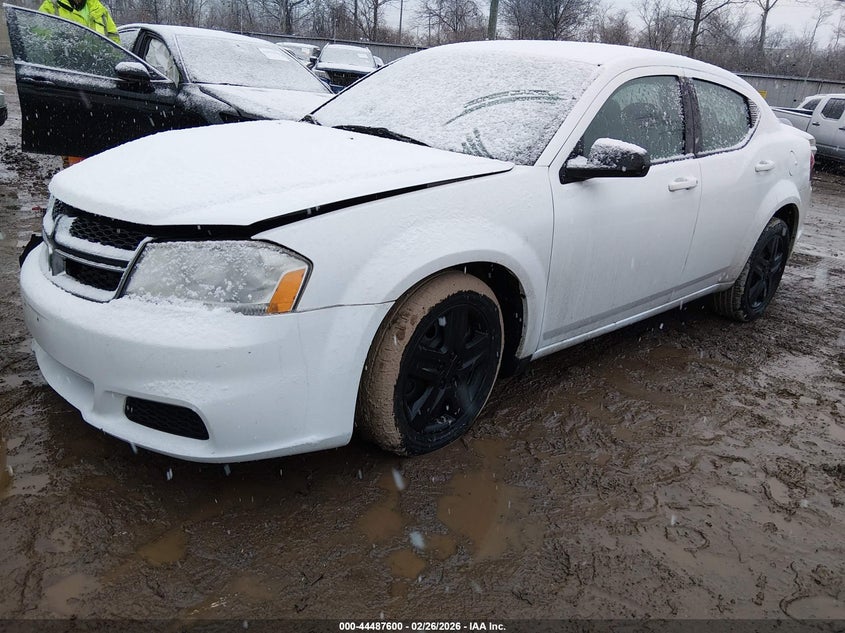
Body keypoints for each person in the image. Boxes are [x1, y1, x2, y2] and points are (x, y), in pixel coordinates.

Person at [38, 0, 120, 43]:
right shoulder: (51, 6)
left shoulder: (99, 9)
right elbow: (38, 36)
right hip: (62, 69)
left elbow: (114, 40)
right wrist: (61, 37)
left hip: (96, 70)